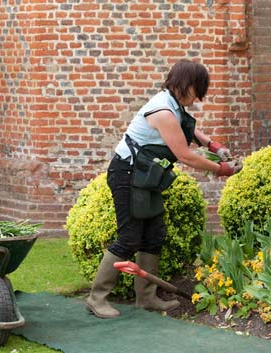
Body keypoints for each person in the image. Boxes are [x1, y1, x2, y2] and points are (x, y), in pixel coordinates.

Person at [86, 59, 242, 319]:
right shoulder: (162, 111)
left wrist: (214, 146)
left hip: (146, 177)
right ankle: (96, 298)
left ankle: (146, 297)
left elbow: (191, 130)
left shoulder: (173, 105)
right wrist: (223, 170)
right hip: (127, 174)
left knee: (154, 233)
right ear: (187, 85)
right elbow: (186, 156)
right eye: (198, 90)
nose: (199, 97)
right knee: (129, 237)